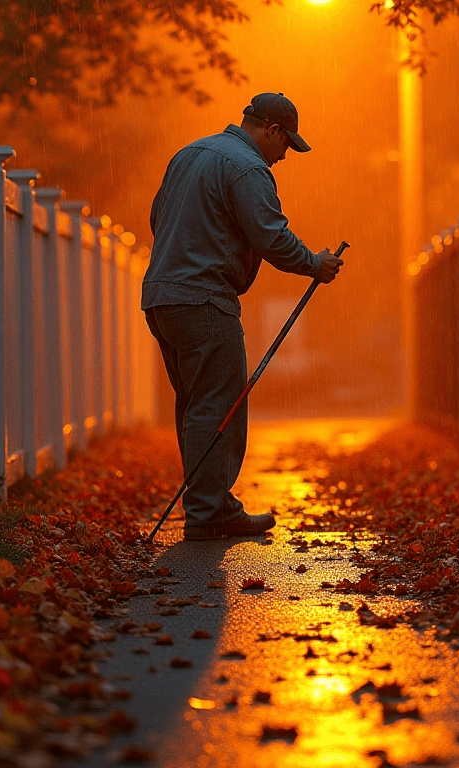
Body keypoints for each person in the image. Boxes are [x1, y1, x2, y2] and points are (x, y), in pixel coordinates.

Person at [144, 92, 344, 541]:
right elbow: (271, 237)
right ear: (271, 131)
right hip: (204, 300)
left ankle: (209, 503)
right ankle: (209, 512)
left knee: (197, 406)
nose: (284, 157)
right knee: (219, 405)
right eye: (286, 145)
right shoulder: (249, 167)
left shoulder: (189, 153)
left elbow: (157, 218)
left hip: (161, 297)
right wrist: (315, 263)